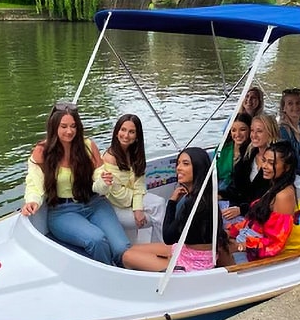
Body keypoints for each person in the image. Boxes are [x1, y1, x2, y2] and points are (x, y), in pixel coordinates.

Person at [22, 102, 131, 266]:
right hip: (63, 211)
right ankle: (110, 279)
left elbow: (98, 178)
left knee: (122, 248)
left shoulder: (88, 146)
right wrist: (32, 201)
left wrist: (103, 181)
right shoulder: (42, 150)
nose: (69, 131)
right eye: (64, 126)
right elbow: (34, 182)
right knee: (97, 239)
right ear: (54, 126)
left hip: (94, 203)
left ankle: (127, 274)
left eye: (73, 126)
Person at [122, 147, 232, 272]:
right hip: (186, 250)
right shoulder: (206, 196)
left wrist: (172, 202)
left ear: (198, 168)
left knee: (127, 257)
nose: (178, 168)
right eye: (178, 163)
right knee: (133, 249)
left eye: (185, 164)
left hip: (195, 263)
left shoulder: (193, 203)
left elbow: (168, 237)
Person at [93, 114, 166, 243]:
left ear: (137, 136)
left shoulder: (135, 155)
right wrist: (138, 206)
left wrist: (138, 207)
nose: (126, 135)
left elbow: (139, 184)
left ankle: (158, 246)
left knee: (158, 205)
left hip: (130, 199)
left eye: (131, 132)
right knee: (158, 205)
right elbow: (118, 196)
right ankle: (162, 246)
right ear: (116, 132)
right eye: (123, 130)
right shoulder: (110, 158)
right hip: (116, 205)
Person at [227, 141, 298, 261]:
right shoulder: (273, 186)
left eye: (271, 163)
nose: (264, 166)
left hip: (254, 253)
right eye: (264, 160)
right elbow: (252, 222)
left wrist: (240, 246)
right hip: (246, 237)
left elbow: (276, 243)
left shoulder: (283, 196)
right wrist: (229, 232)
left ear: (287, 167)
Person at [220, 113, 280, 222]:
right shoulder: (248, 155)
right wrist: (220, 194)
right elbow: (236, 187)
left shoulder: (277, 163)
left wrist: (241, 210)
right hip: (236, 205)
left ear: (270, 133)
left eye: (259, 131)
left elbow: (270, 199)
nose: (254, 135)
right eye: (252, 131)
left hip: (257, 215)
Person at [216, 113, 252, 190]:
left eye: (242, 130)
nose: (237, 134)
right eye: (233, 130)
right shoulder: (222, 149)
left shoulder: (253, 151)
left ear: (250, 130)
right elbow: (213, 174)